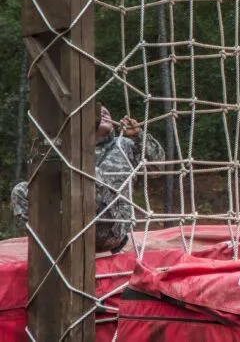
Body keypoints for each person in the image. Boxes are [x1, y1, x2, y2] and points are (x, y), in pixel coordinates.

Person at [11, 104, 164, 253]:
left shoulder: (125, 145)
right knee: (21, 190)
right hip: (68, 227)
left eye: (107, 113)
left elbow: (157, 168)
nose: (104, 114)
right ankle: (47, 241)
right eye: (99, 113)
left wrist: (138, 135)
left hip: (109, 227)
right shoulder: (68, 150)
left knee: (90, 172)